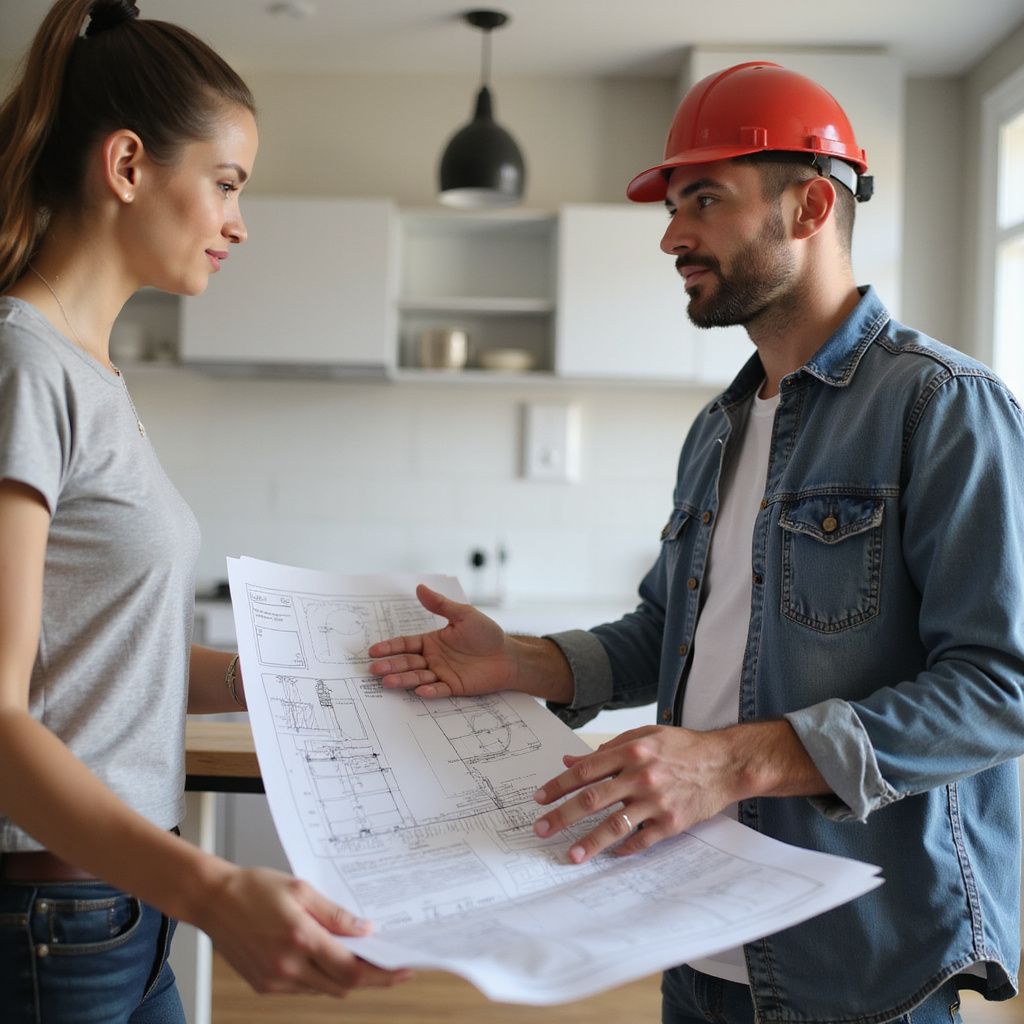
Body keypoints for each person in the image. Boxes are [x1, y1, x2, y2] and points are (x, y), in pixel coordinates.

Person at [369, 61, 1024, 1023]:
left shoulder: (944, 407)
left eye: (704, 201)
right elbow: (668, 629)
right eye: (672, 207)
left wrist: (733, 762)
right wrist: (519, 661)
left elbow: (1002, 690)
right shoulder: (718, 428)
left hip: (862, 972)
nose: (673, 235)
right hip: (696, 949)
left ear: (809, 206)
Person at [0, 2, 409, 1020]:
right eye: (225, 183)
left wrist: (333, 678)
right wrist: (219, 890)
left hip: (121, 910)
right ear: (129, 165)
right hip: (55, 917)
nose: (238, 220)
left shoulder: (89, 374)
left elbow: (100, 657)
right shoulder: (22, 362)